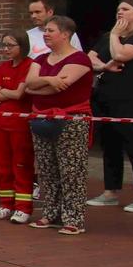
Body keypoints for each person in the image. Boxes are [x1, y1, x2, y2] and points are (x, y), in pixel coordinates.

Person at [85, 0, 133, 214]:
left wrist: (116, 38)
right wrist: (105, 66)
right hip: (107, 100)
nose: (120, 13)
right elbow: (89, 58)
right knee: (110, 146)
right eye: (118, 9)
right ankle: (110, 192)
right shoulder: (107, 37)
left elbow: (120, 54)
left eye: (125, 9)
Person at [24, 15, 93, 234]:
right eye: (45, 31)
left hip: (71, 120)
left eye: (50, 30)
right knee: (46, 169)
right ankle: (51, 213)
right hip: (41, 118)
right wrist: (49, 80)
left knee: (71, 170)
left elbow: (62, 86)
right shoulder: (41, 59)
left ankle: (73, 218)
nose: (45, 34)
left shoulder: (80, 59)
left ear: (65, 34)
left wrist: (43, 85)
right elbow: (28, 85)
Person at [0, 31, 35, 222]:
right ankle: (5, 204)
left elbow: (19, 95)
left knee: (21, 164)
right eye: (3, 45)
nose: (6, 49)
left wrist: (6, 92)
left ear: (22, 46)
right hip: (1, 122)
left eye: (10, 45)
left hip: (20, 124)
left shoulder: (30, 66)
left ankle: (23, 207)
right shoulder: (3, 67)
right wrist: (9, 92)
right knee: (2, 165)